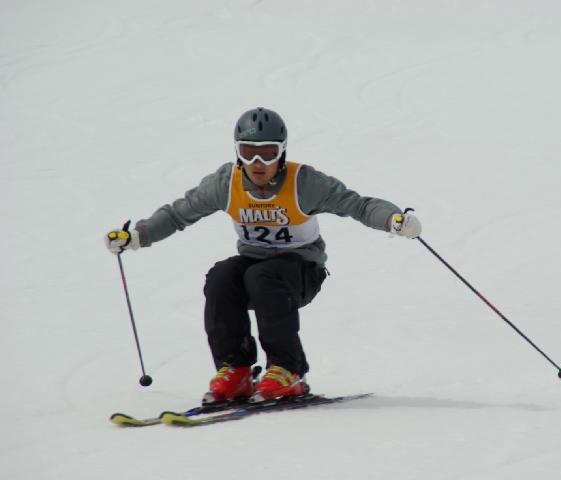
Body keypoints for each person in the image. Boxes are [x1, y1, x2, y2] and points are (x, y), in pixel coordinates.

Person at [104, 107, 421, 405]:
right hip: (256, 266)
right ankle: (236, 371)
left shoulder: (304, 183)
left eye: (267, 153)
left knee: (262, 276)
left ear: (281, 152)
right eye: (248, 152)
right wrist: (137, 236)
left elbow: (358, 205)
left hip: (302, 270)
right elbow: (178, 214)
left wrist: (393, 219)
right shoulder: (226, 184)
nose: (257, 162)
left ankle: (288, 370)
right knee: (221, 277)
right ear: (237, 152)